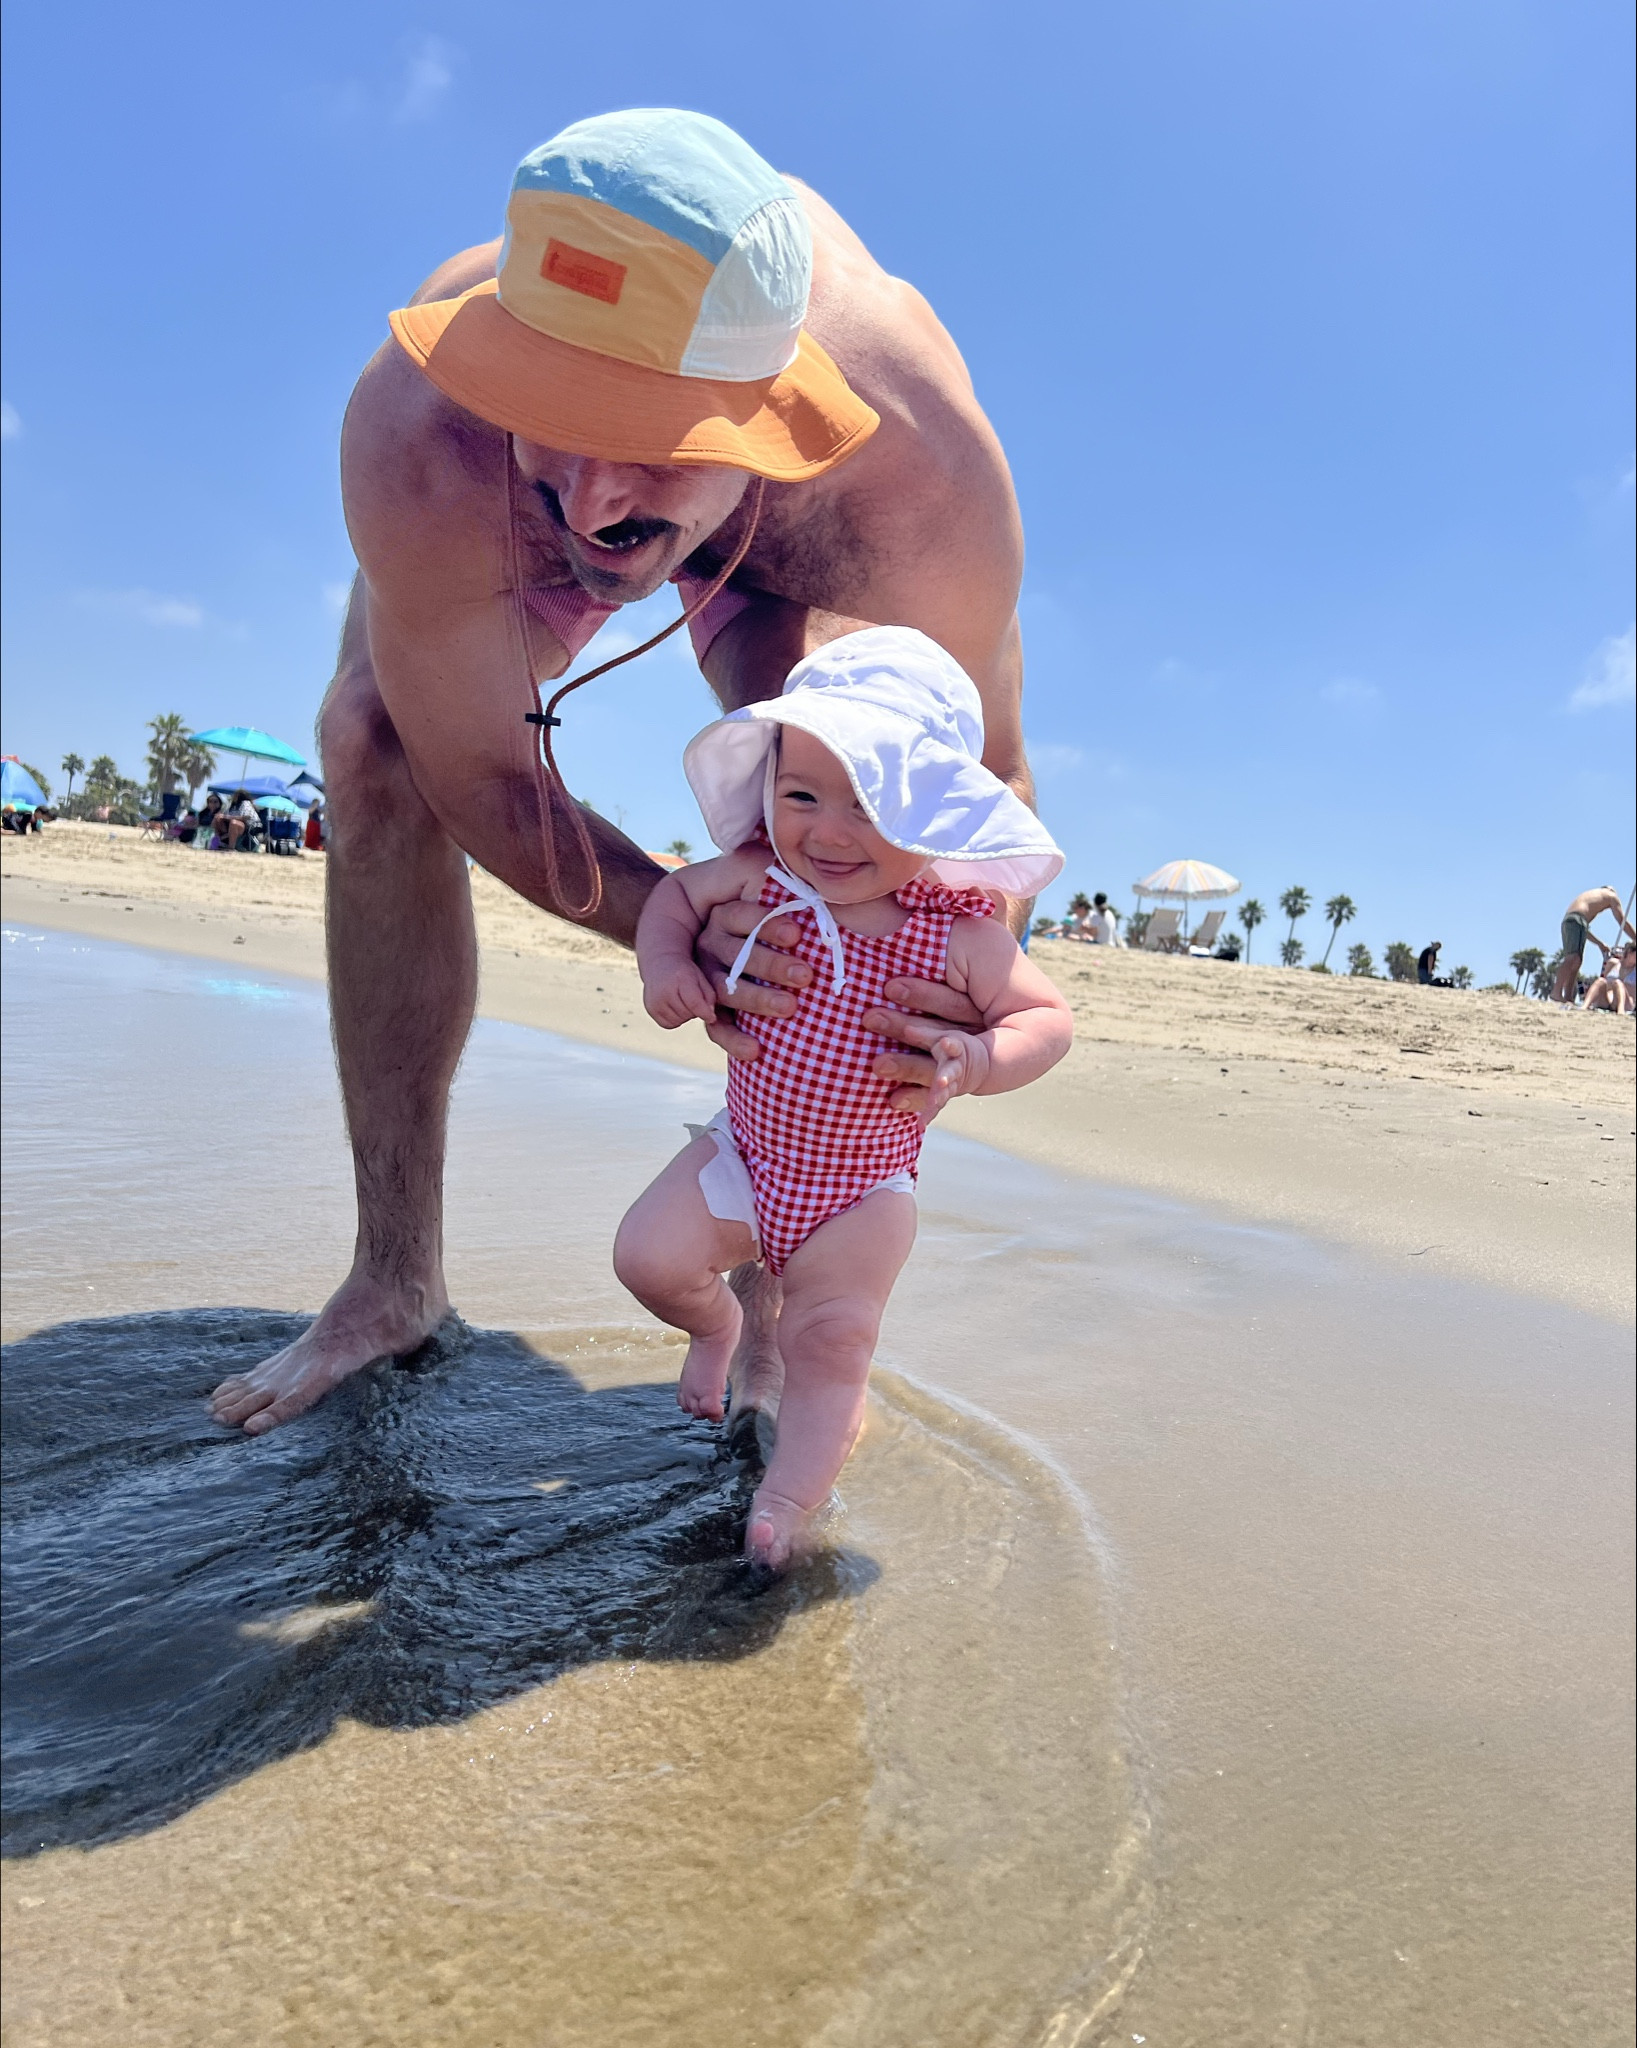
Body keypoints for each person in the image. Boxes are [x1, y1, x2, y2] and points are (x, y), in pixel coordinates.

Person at [210, 109, 1038, 1437]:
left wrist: (911, 1000)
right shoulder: (423, 425)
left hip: (804, 537)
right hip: (523, 516)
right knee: (369, 741)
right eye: (553, 417)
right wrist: (682, 919)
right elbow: (476, 773)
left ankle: (777, 1293)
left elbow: (987, 799)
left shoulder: (916, 482)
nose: (592, 502)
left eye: (647, 436)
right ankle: (391, 1280)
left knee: (843, 817)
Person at [614, 630, 1071, 1569]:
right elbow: (673, 901)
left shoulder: (959, 935)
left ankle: (786, 1500)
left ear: (932, 813)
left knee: (833, 1342)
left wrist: (981, 1057)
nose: (827, 832)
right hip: (745, 1153)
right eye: (801, 796)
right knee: (646, 1259)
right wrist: (665, 968)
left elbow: (1047, 1019)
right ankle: (719, 1327)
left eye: (868, 806)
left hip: (860, 1193)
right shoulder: (759, 875)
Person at [1550, 886, 1636, 1005]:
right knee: (1572, 958)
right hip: (1576, 920)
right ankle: (1556, 992)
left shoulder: (1589, 901)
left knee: (1577, 961)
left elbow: (1585, 930)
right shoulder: (1611, 895)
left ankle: (1568, 996)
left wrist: (1599, 944)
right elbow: (1622, 921)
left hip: (1573, 921)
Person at [1583, 942, 1636, 1015]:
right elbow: (1605, 981)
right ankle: (1584, 1006)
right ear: (1630, 952)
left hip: (1626, 1003)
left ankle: (1621, 1011)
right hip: (1608, 1000)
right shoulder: (1613, 963)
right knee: (1600, 981)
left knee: (1618, 983)